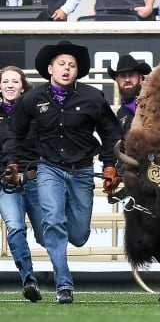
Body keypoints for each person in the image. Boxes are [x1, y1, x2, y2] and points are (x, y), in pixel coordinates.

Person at [3, 41, 121, 305]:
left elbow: (111, 133)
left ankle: (61, 224)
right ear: (50, 68)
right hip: (48, 168)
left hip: (82, 170)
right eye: (61, 65)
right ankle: (63, 285)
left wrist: (111, 165)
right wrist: (12, 162)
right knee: (54, 223)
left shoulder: (92, 97)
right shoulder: (32, 99)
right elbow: (14, 132)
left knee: (78, 235)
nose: (66, 69)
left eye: (71, 65)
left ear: (77, 71)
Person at [0, 66, 43, 302]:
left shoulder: (35, 113)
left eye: (14, 81)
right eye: (5, 81)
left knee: (47, 234)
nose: (9, 85)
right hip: (5, 184)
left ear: (23, 86)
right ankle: (29, 279)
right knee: (15, 227)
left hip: (34, 180)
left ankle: (62, 281)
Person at [107, 54, 152, 137]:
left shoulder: (154, 104)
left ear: (140, 77)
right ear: (117, 80)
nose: (127, 80)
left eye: (131, 75)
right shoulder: (120, 115)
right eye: (123, 76)